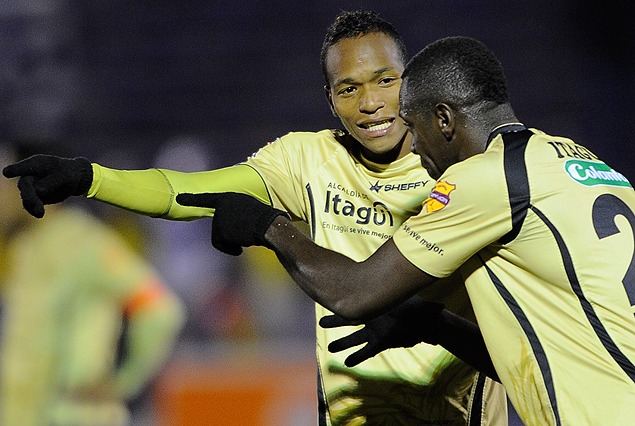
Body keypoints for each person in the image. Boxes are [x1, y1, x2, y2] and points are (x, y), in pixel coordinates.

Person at [2, 12, 507, 426]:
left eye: (385, 81)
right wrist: (90, 178)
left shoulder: (461, 165)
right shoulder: (305, 160)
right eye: (348, 88)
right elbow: (184, 191)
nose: (370, 103)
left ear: (411, 82)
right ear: (330, 100)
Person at [174, 35, 635, 425]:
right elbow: (546, 357)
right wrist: (435, 324)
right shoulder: (583, 163)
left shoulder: (484, 180)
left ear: (444, 119)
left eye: (414, 127)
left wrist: (267, 225)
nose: (411, 144)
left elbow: (353, 293)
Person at [0, 142, 186, 426]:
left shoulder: (85, 243)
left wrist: (120, 383)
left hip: (71, 415)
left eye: (7, 185)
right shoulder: (23, 247)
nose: (2, 196)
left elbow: (160, 310)